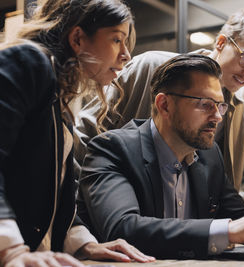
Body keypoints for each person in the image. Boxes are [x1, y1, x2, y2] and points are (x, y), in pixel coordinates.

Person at [74, 10, 244, 215]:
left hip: (199, 229)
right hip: (125, 215)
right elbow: (83, 138)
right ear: (221, 43)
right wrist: (78, 215)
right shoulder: (151, 67)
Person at [79, 54, 244, 259]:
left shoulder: (209, 155)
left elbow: (243, 218)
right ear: (164, 105)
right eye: (205, 105)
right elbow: (124, 228)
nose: (217, 117)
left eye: (219, 106)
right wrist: (229, 230)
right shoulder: (111, 149)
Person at [0, 0, 155, 266]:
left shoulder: (60, 95)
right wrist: (9, 250)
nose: (127, 55)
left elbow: (58, 194)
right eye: (117, 40)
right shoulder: (29, 60)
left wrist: (85, 244)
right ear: (78, 38)